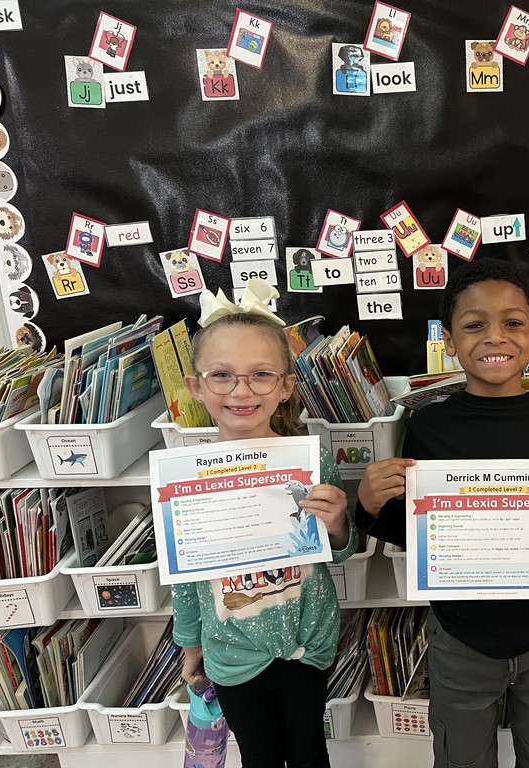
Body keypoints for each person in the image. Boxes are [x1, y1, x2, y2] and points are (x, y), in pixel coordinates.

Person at [355, 258, 529, 768]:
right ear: (449, 339)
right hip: (462, 634)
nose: (495, 337)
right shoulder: (428, 427)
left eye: (512, 323)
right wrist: (370, 507)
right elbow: (419, 534)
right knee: (461, 757)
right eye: (473, 325)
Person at [172, 280, 357, 768]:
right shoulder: (186, 476)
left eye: (260, 375)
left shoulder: (312, 459)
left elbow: (338, 551)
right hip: (232, 653)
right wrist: (190, 644)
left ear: (284, 387)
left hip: (306, 643)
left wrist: (338, 525)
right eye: (222, 375)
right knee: (258, 754)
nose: (241, 390)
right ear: (196, 386)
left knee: (308, 751)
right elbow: (187, 577)